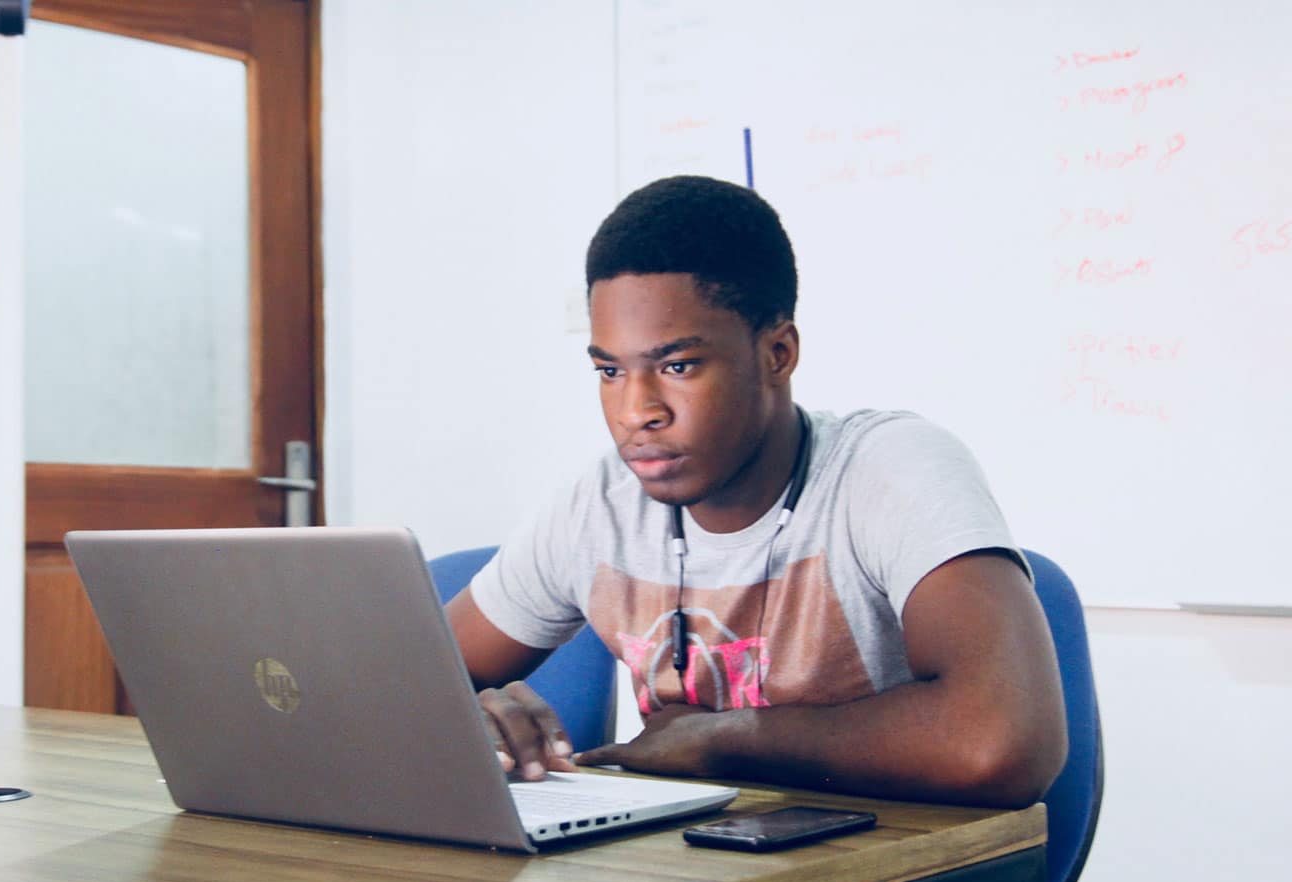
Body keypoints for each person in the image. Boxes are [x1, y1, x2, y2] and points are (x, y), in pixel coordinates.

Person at [444, 175, 1066, 808]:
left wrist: (726, 739)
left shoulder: (889, 469)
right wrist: (472, 714)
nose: (636, 411)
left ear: (777, 352)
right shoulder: (599, 504)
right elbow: (391, 688)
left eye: (677, 366)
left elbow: (1000, 743)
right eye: (610, 371)